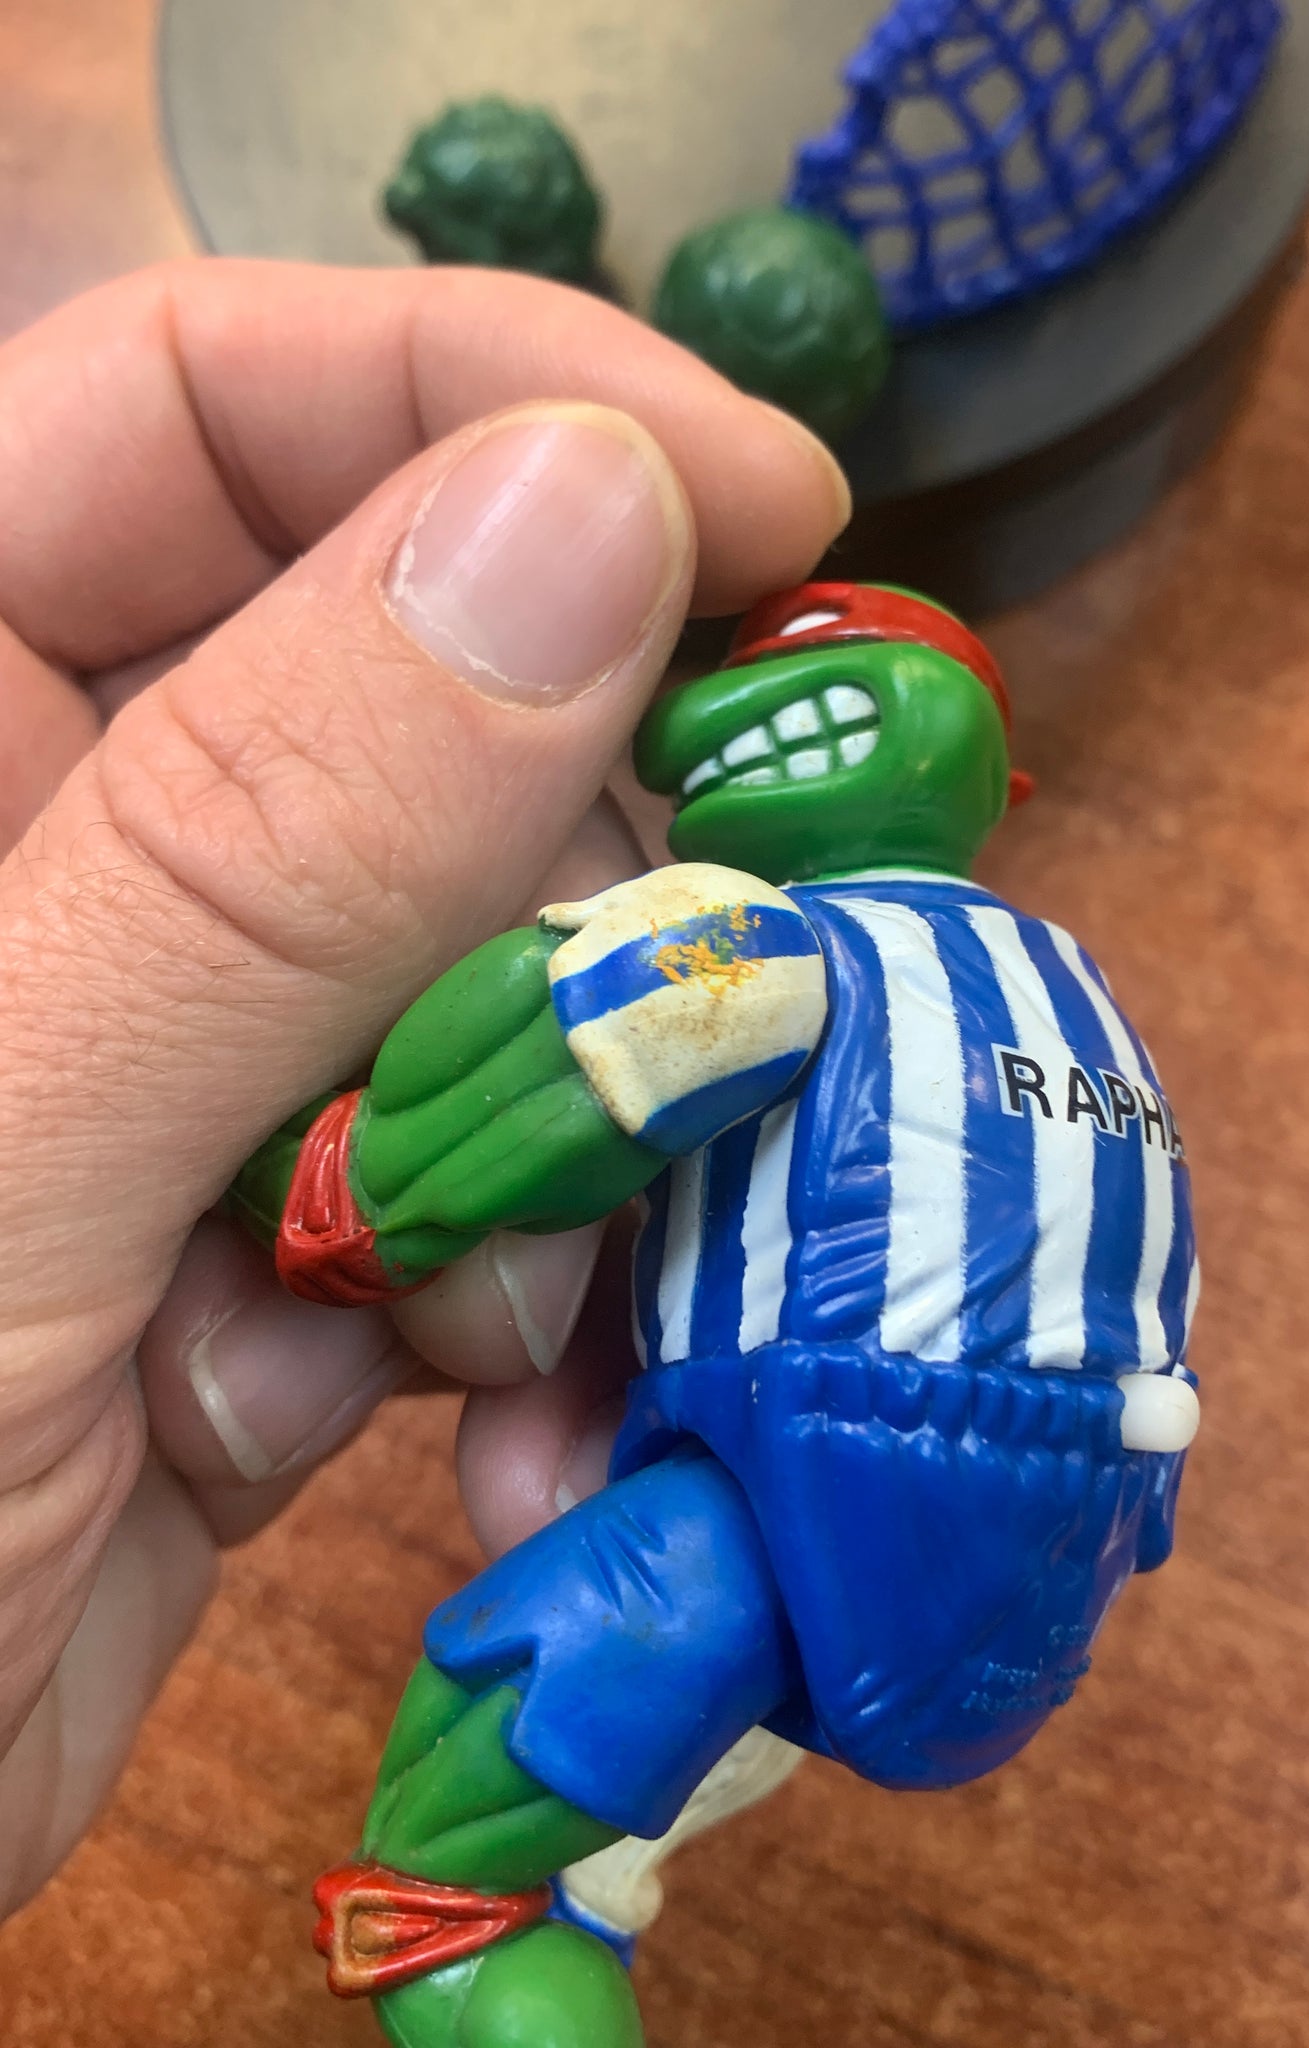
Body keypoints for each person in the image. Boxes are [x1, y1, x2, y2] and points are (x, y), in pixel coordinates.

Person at [0, 256, 852, 1923]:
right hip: (757, 1512)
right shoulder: (765, 946)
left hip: (976, 1470)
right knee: (699, 994)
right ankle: (459, 1921)